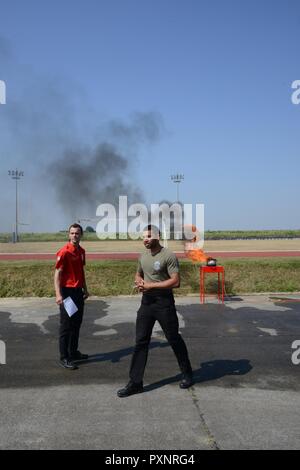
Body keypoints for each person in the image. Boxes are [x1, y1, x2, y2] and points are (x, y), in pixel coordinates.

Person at [117, 225, 193, 397]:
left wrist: (150, 285)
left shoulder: (168, 255)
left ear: (158, 236)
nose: (145, 239)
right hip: (147, 304)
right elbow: (138, 274)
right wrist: (139, 282)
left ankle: (187, 373)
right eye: (143, 236)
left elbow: (176, 282)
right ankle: (135, 383)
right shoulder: (143, 256)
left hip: (163, 303)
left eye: (149, 236)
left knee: (173, 338)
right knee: (140, 341)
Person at [54, 223, 89, 370]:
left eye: (77, 233)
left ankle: (73, 352)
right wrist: (58, 294)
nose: (75, 235)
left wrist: (85, 289)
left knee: (76, 324)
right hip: (67, 292)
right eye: (72, 233)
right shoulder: (64, 252)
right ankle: (64, 357)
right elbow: (57, 274)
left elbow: (81, 272)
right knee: (67, 326)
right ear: (69, 235)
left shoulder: (81, 251)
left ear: (81, 235)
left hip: (78, 292)